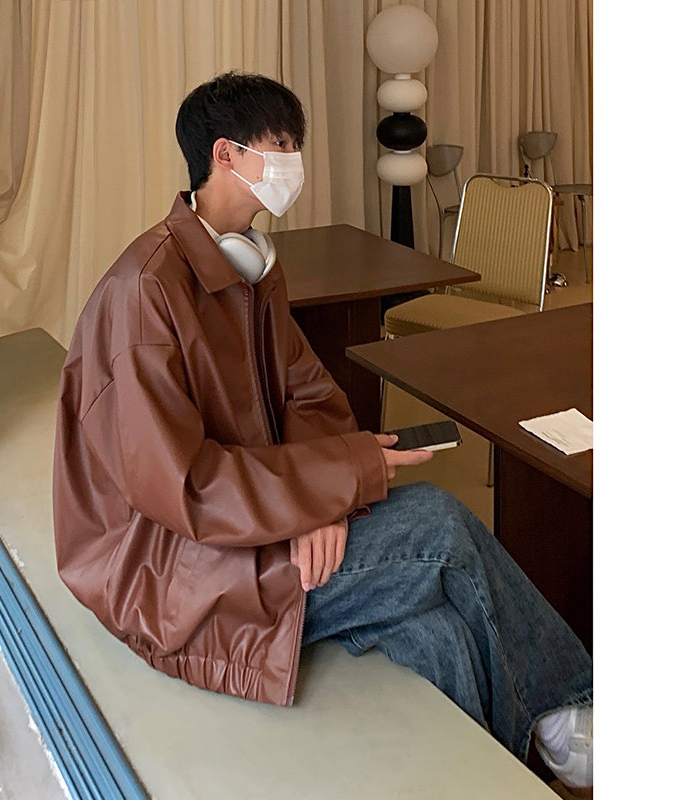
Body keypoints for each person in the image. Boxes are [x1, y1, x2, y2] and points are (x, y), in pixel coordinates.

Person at [53, 71, 593, 792]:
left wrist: (323, 504)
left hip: (250, 523)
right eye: (279, 145)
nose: (293, 162)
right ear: (225, 154)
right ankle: (569, 714)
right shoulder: (146, 293)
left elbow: (309, 394)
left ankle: (499, 774)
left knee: (436, 631)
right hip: (169, 567)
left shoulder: (251, 266)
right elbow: (184, 487)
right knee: (439, 526)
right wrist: (327, 487)